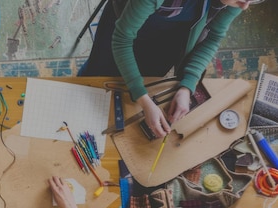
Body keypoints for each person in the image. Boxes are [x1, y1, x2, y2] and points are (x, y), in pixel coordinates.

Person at [80, 0, 262, 139]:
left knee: (144, 81)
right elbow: (122, 40)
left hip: (166, 41)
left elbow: (213, 37)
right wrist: (143, 98)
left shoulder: (235, 2)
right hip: (123, 30)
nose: (245, 6)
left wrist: (187, 86)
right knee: (96, 79)